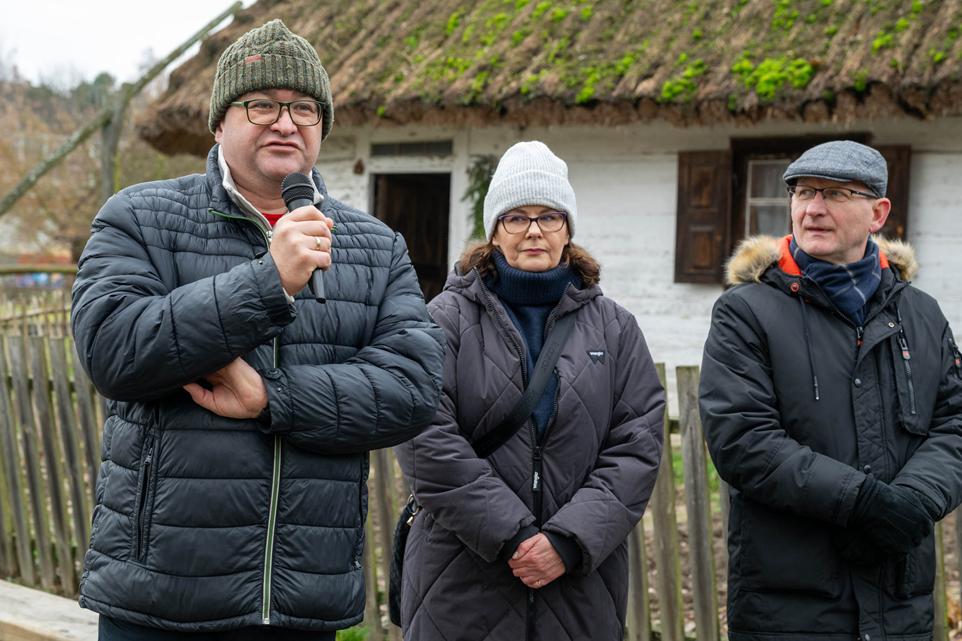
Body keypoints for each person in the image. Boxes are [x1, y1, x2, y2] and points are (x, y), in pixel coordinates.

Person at [71, 19, 443, 640]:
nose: (285, 122)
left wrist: (271, 397)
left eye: (304, 108)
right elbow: (114, 351)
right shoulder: (140, 217)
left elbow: (413, 390)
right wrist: (269, 281)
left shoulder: (376, 247)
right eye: (261, 104)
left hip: (302, 600)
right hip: (160, 597)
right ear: (220, 122)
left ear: (321, 126)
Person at [394, 141, 665, 641]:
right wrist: (512, 535)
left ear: (568, 229)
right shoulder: (443, 320)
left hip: (579, 587)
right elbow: (423, 438)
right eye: (516, 217)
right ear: (495, 230)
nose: (534, 230)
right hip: (460, 579)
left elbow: (637, 445)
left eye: (549, 216)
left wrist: (567, 541)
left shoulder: (616, 329)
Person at [699, 140, 962, 641]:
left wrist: (912, 502)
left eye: (836, 194)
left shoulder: (921, 314)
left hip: (900, 605)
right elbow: (744, 440)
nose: (813, 209)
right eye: (803, 192)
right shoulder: (746, 312)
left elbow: (955, 423)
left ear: (878, 213)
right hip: (790, 609)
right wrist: (862, 503)